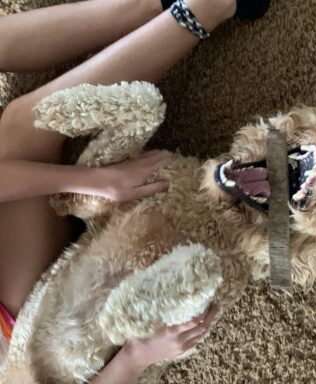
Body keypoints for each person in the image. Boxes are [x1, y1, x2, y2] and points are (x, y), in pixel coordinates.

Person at [0, 0, 270, 382]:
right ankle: (206, 8)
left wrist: (94, 181)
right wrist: (134, 359)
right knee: (23, 127)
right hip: (24, 338)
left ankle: (160, 4)